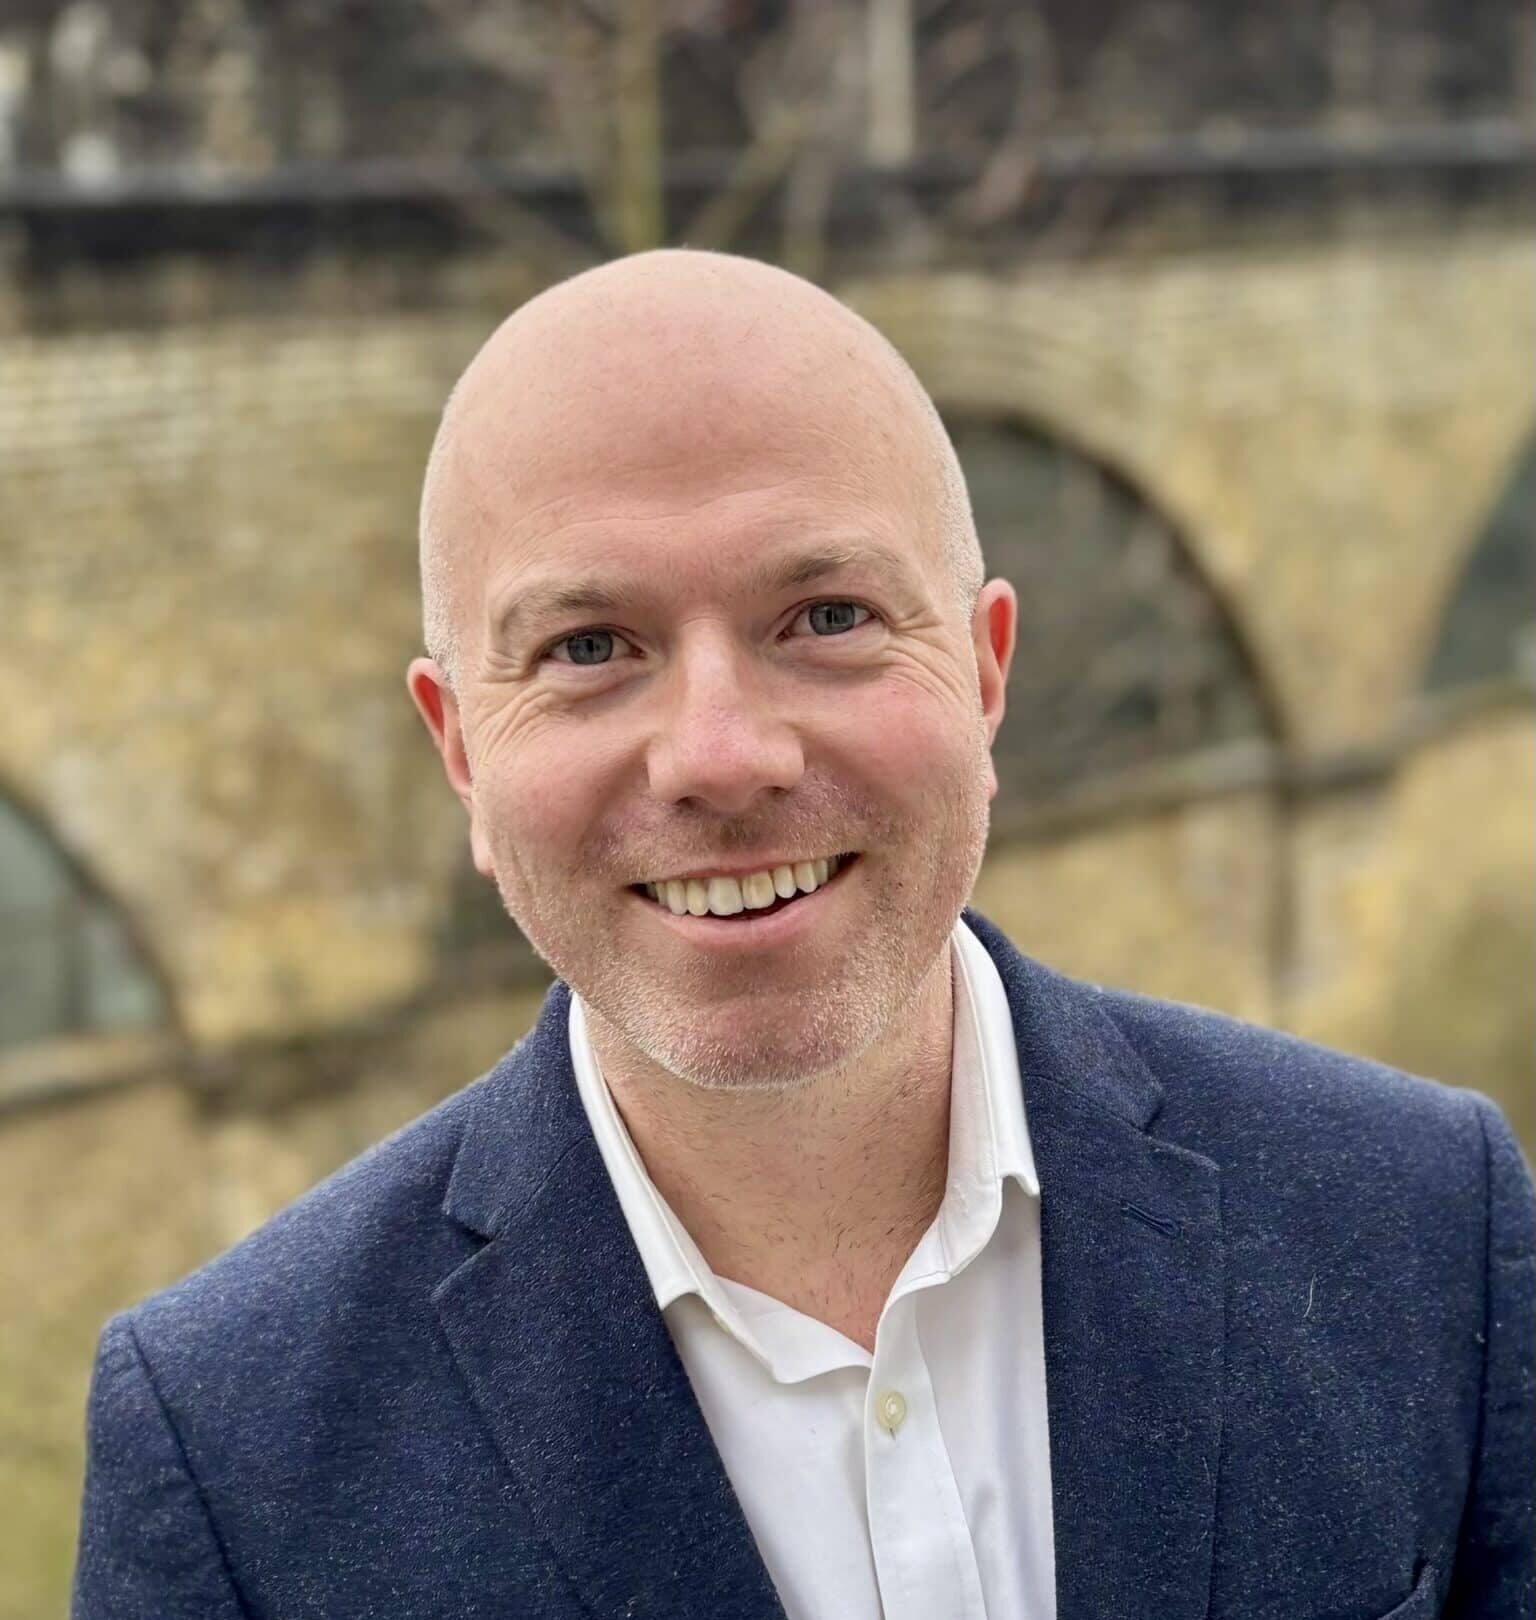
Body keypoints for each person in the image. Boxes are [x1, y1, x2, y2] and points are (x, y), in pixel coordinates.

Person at [73, 249, 1533, 1620]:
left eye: (824, 615)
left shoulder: (1427, 1226)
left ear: (985, 671)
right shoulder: (228, 1457)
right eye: (590, 649)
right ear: (460, 752)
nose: (719, 755)